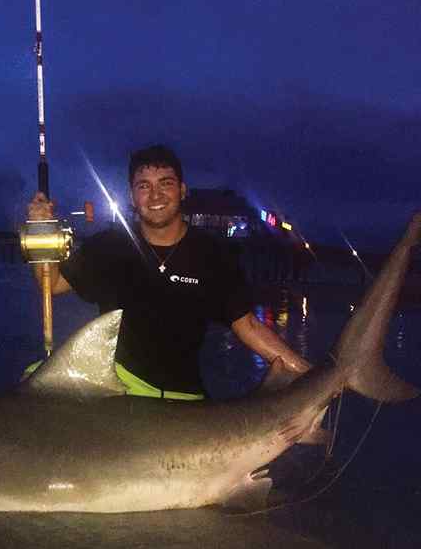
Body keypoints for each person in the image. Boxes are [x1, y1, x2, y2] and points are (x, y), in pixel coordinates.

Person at [27, 144, 310, 399]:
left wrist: (308, 375)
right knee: (35, 380)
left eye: (166, 184)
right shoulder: (109, 247)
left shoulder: (213, 255)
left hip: (183, 398)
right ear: (132, 196)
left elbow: (247, 326)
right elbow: (50, 286)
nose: (155, 195)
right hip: (119, 391)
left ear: (183, 190)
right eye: (144, 186)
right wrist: (41, 234)